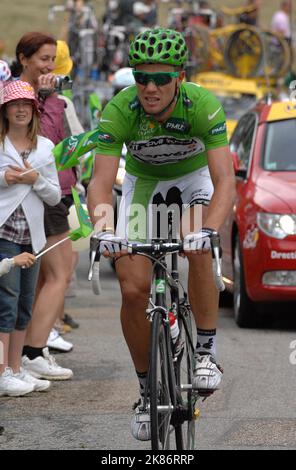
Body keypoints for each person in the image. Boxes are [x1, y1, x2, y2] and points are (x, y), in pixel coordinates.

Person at [87, 28, 235, 441]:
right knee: (132, 288)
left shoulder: (202, 105)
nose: (150, 88)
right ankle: (147, 391)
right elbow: (99, 182)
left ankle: (205, 352)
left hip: (194, 182)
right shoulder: (120, 109)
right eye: (141, 78)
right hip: (144, 186)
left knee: (195, 243)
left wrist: (209, 230)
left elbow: (225, 180)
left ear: (180, 78)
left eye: (161, 78)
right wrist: (103, 228)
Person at [10, 32, 74, 379]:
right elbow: (43, 141)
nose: (49, 66)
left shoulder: (38, 93)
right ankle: (32, 351)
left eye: (53, 60)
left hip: (49, 191)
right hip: (36, 195)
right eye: (43, 59)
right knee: (59, 274)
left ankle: (27, 353)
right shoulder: (23, 96)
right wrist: (49, 98)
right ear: (24, 58)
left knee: (45, 275)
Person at [0, 80, 61, 396]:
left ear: (34, 111)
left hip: (32, 237)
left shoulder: (45, 148)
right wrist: (5, 178)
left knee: (24, 303)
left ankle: (15, 368)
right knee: (5, 305)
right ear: (5, 111)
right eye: (14, 105)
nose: (20, 110)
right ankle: (2, 372)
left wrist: (35, 179)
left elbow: (54, 196)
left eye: (26, 105)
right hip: (4, 234)